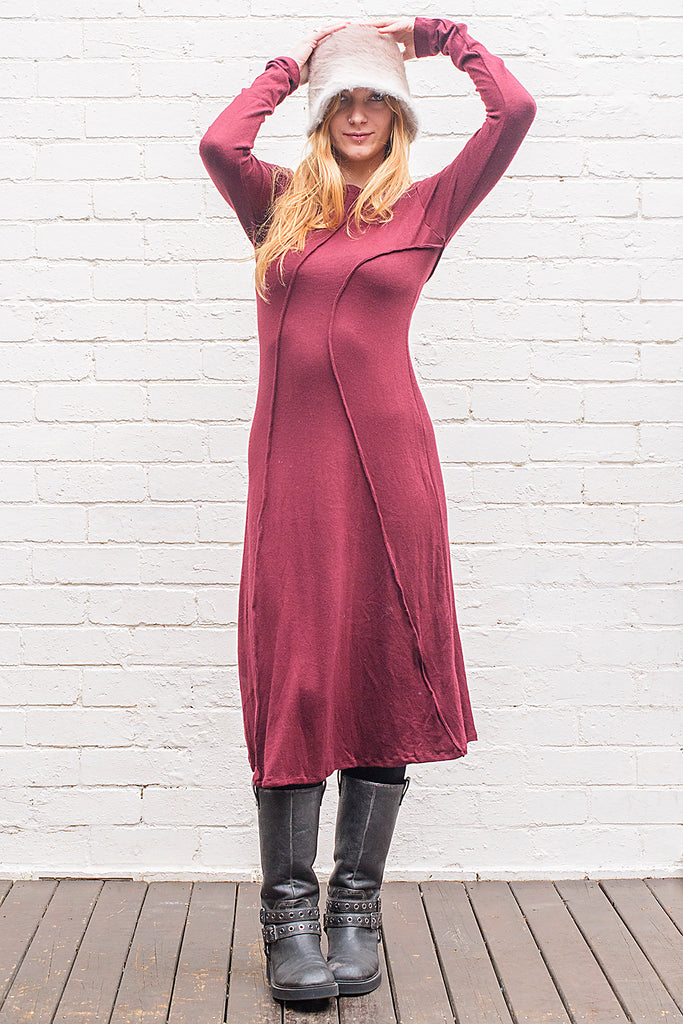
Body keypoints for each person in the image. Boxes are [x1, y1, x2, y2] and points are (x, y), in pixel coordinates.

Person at [199, 15, 536, 1003]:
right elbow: (219, 139)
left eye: (373, 100)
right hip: (296, 477)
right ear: (321, 115)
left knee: (383, 664)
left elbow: (512, 110)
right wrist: (296, 62)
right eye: (342, 99)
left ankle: (354, 906)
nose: (357, 112)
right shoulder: (273, 207)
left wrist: (438, 37)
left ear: (395, 119)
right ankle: (285, 917)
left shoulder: (429, 205)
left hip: (393, 473)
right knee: (295, 675)